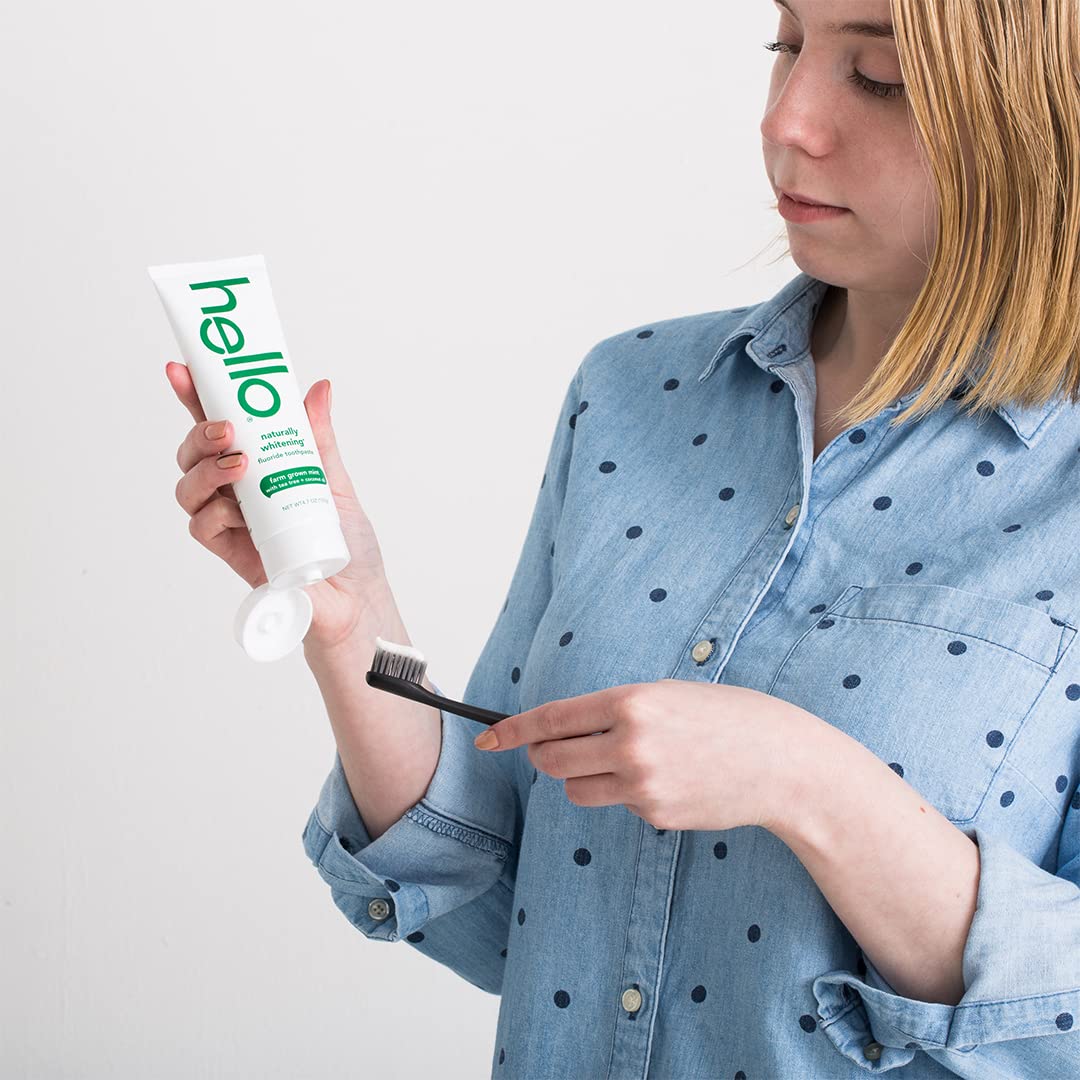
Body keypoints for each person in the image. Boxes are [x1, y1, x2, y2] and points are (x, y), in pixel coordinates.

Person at [168, 1, 1080, 1076]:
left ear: (1037, 111)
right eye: (786, 45)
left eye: (877, 76)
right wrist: (350, 614)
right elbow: (498, 910)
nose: (786, 120)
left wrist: (809, 782)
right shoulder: (633, 393)